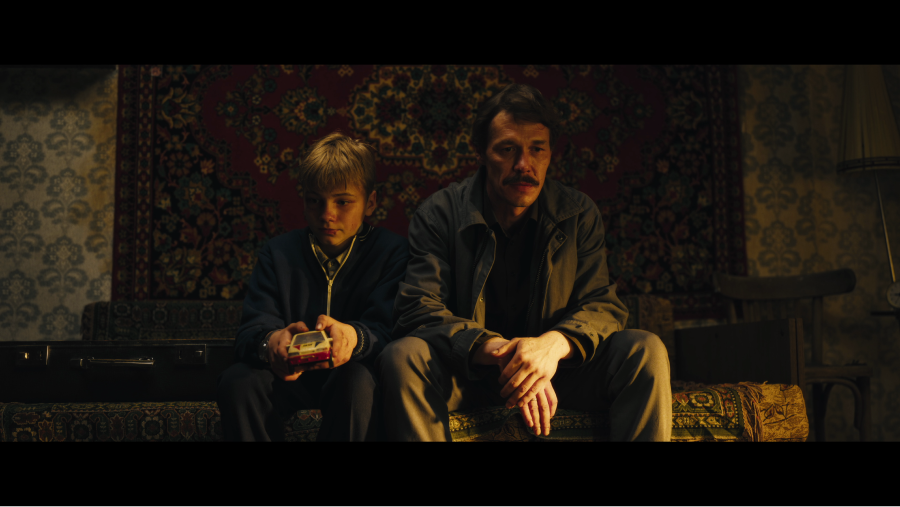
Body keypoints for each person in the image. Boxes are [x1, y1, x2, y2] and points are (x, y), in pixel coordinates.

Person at [377, 83, 672, 441]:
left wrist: (551, 347)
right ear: (481, 153)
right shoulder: (438, 214)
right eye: (507, 149)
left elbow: (602, 305)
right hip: (467, 375)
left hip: (557, 374)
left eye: (537, 149)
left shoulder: (578, 213)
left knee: (644, 350)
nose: (524, 165)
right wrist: (503, 353)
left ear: (550, 153)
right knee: (401, 355)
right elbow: (418, 309)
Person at [217, 131, 409, 441]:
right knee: (238, 380)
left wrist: (353, 337)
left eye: (343, 202)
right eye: (315, 201)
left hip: (353, 376)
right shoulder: (278, 253)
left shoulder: (392, 253)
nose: (327, 215)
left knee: (358, 381)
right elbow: (249, 333)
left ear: (370, 202)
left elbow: (391, 331)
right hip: (290, 379)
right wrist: (271, 343)